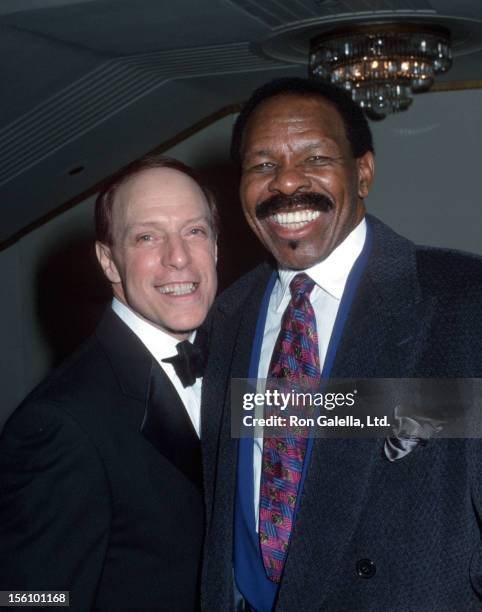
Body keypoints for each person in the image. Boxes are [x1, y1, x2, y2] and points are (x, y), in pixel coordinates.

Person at [201, 78, 482, 611]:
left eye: (314, 157)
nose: (286, 183)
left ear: (363, 172)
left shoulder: (463, 302)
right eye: (262, 165)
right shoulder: (227, 316)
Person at [0, 155, 218, 611]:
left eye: (194, 231)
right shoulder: (60, 423)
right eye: (146, 237)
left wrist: (408, 409)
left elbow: (350, 415)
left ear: (215, 247)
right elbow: (29, 600)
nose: (178, 256)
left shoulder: (238, 352)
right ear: (109, 261)